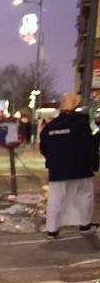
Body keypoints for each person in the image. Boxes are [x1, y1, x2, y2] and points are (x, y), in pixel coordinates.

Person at [40, 92, 98, 239]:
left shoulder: (50, 126)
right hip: (79, 168)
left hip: (57, 169)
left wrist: (52, 160)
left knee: (55, 198)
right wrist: (94, 163)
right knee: (84, 196)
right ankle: (84, 224)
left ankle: (52, 230)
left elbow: (44, 148)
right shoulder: (80, 124)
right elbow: (88, 146)